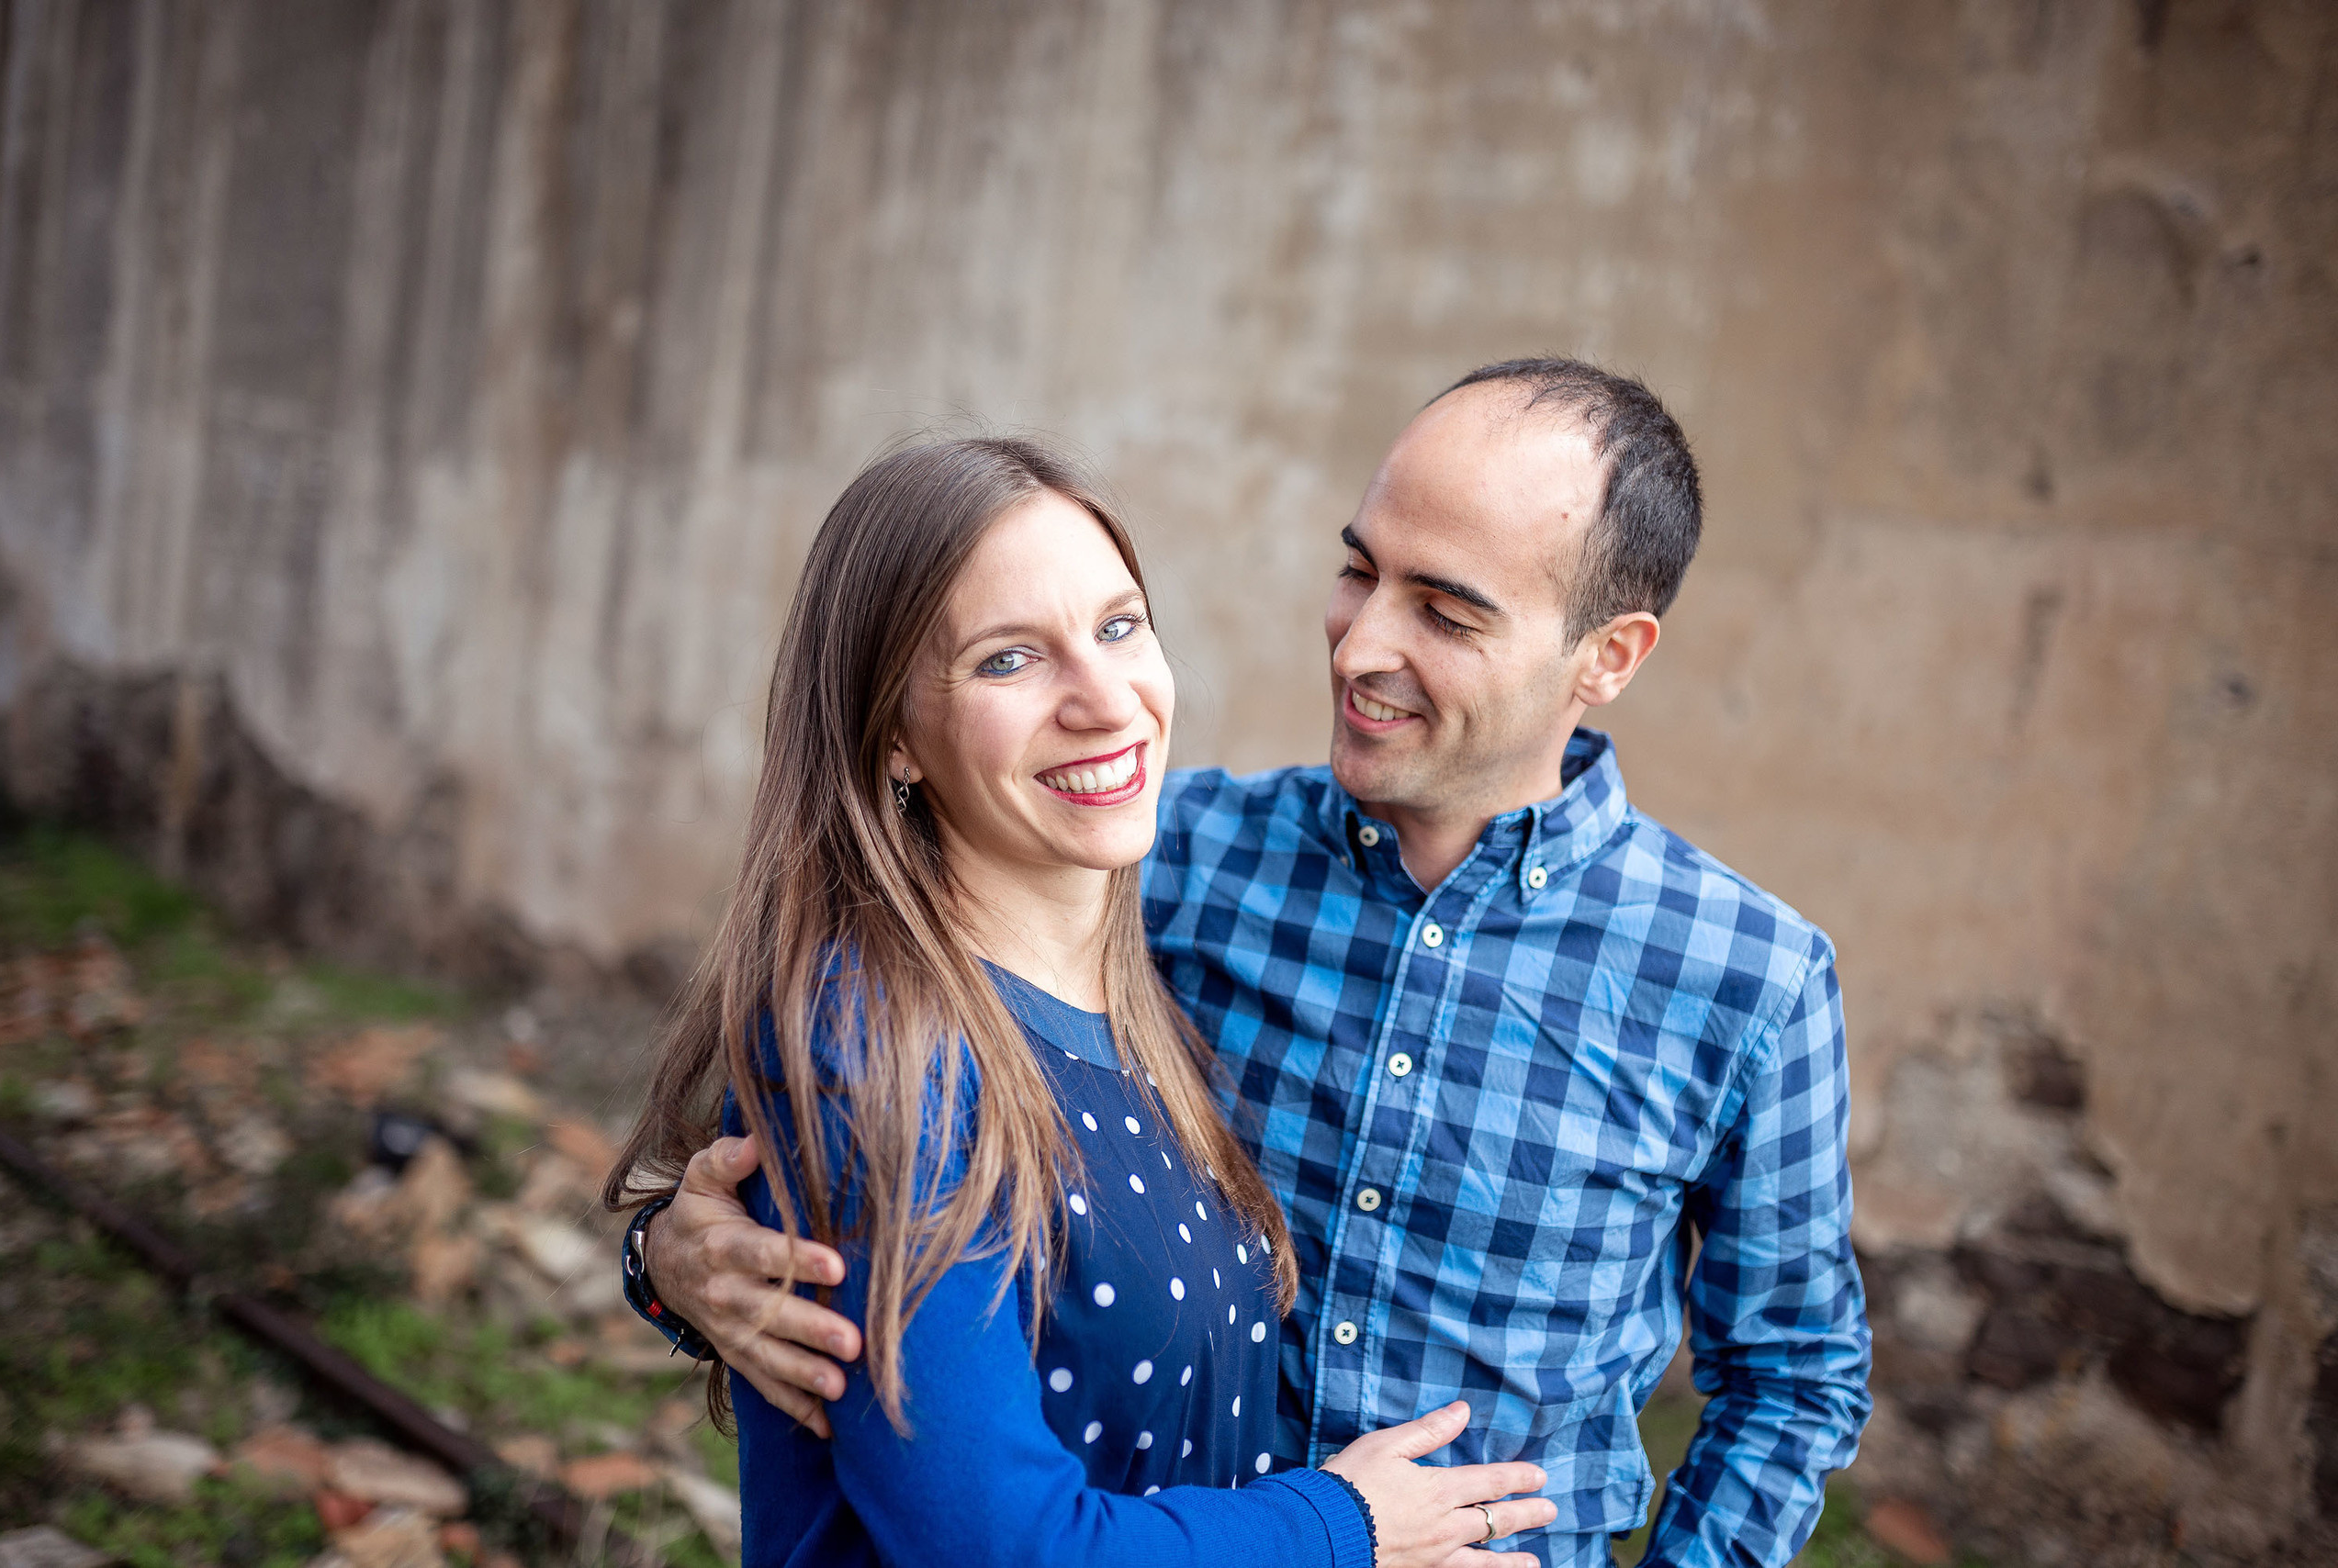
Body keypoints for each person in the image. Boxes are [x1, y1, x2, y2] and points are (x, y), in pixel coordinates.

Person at [622, 362, 1873, 1567]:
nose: (1361, 644)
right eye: (1358, 569)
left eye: (1443, 610)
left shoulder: (1745, 979)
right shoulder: (1162, 859)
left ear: (1608, 656)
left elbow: (1796, 1376)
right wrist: (674, 1266)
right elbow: (857, 1116)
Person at [604, 436, 1559, 1568]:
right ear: (895, 735)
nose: (1106, 701)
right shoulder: (875, 1043)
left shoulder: (1138, 984)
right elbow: (1001, 1546)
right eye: (1010, 660)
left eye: (1117, 627)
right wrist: (1342, 1526)